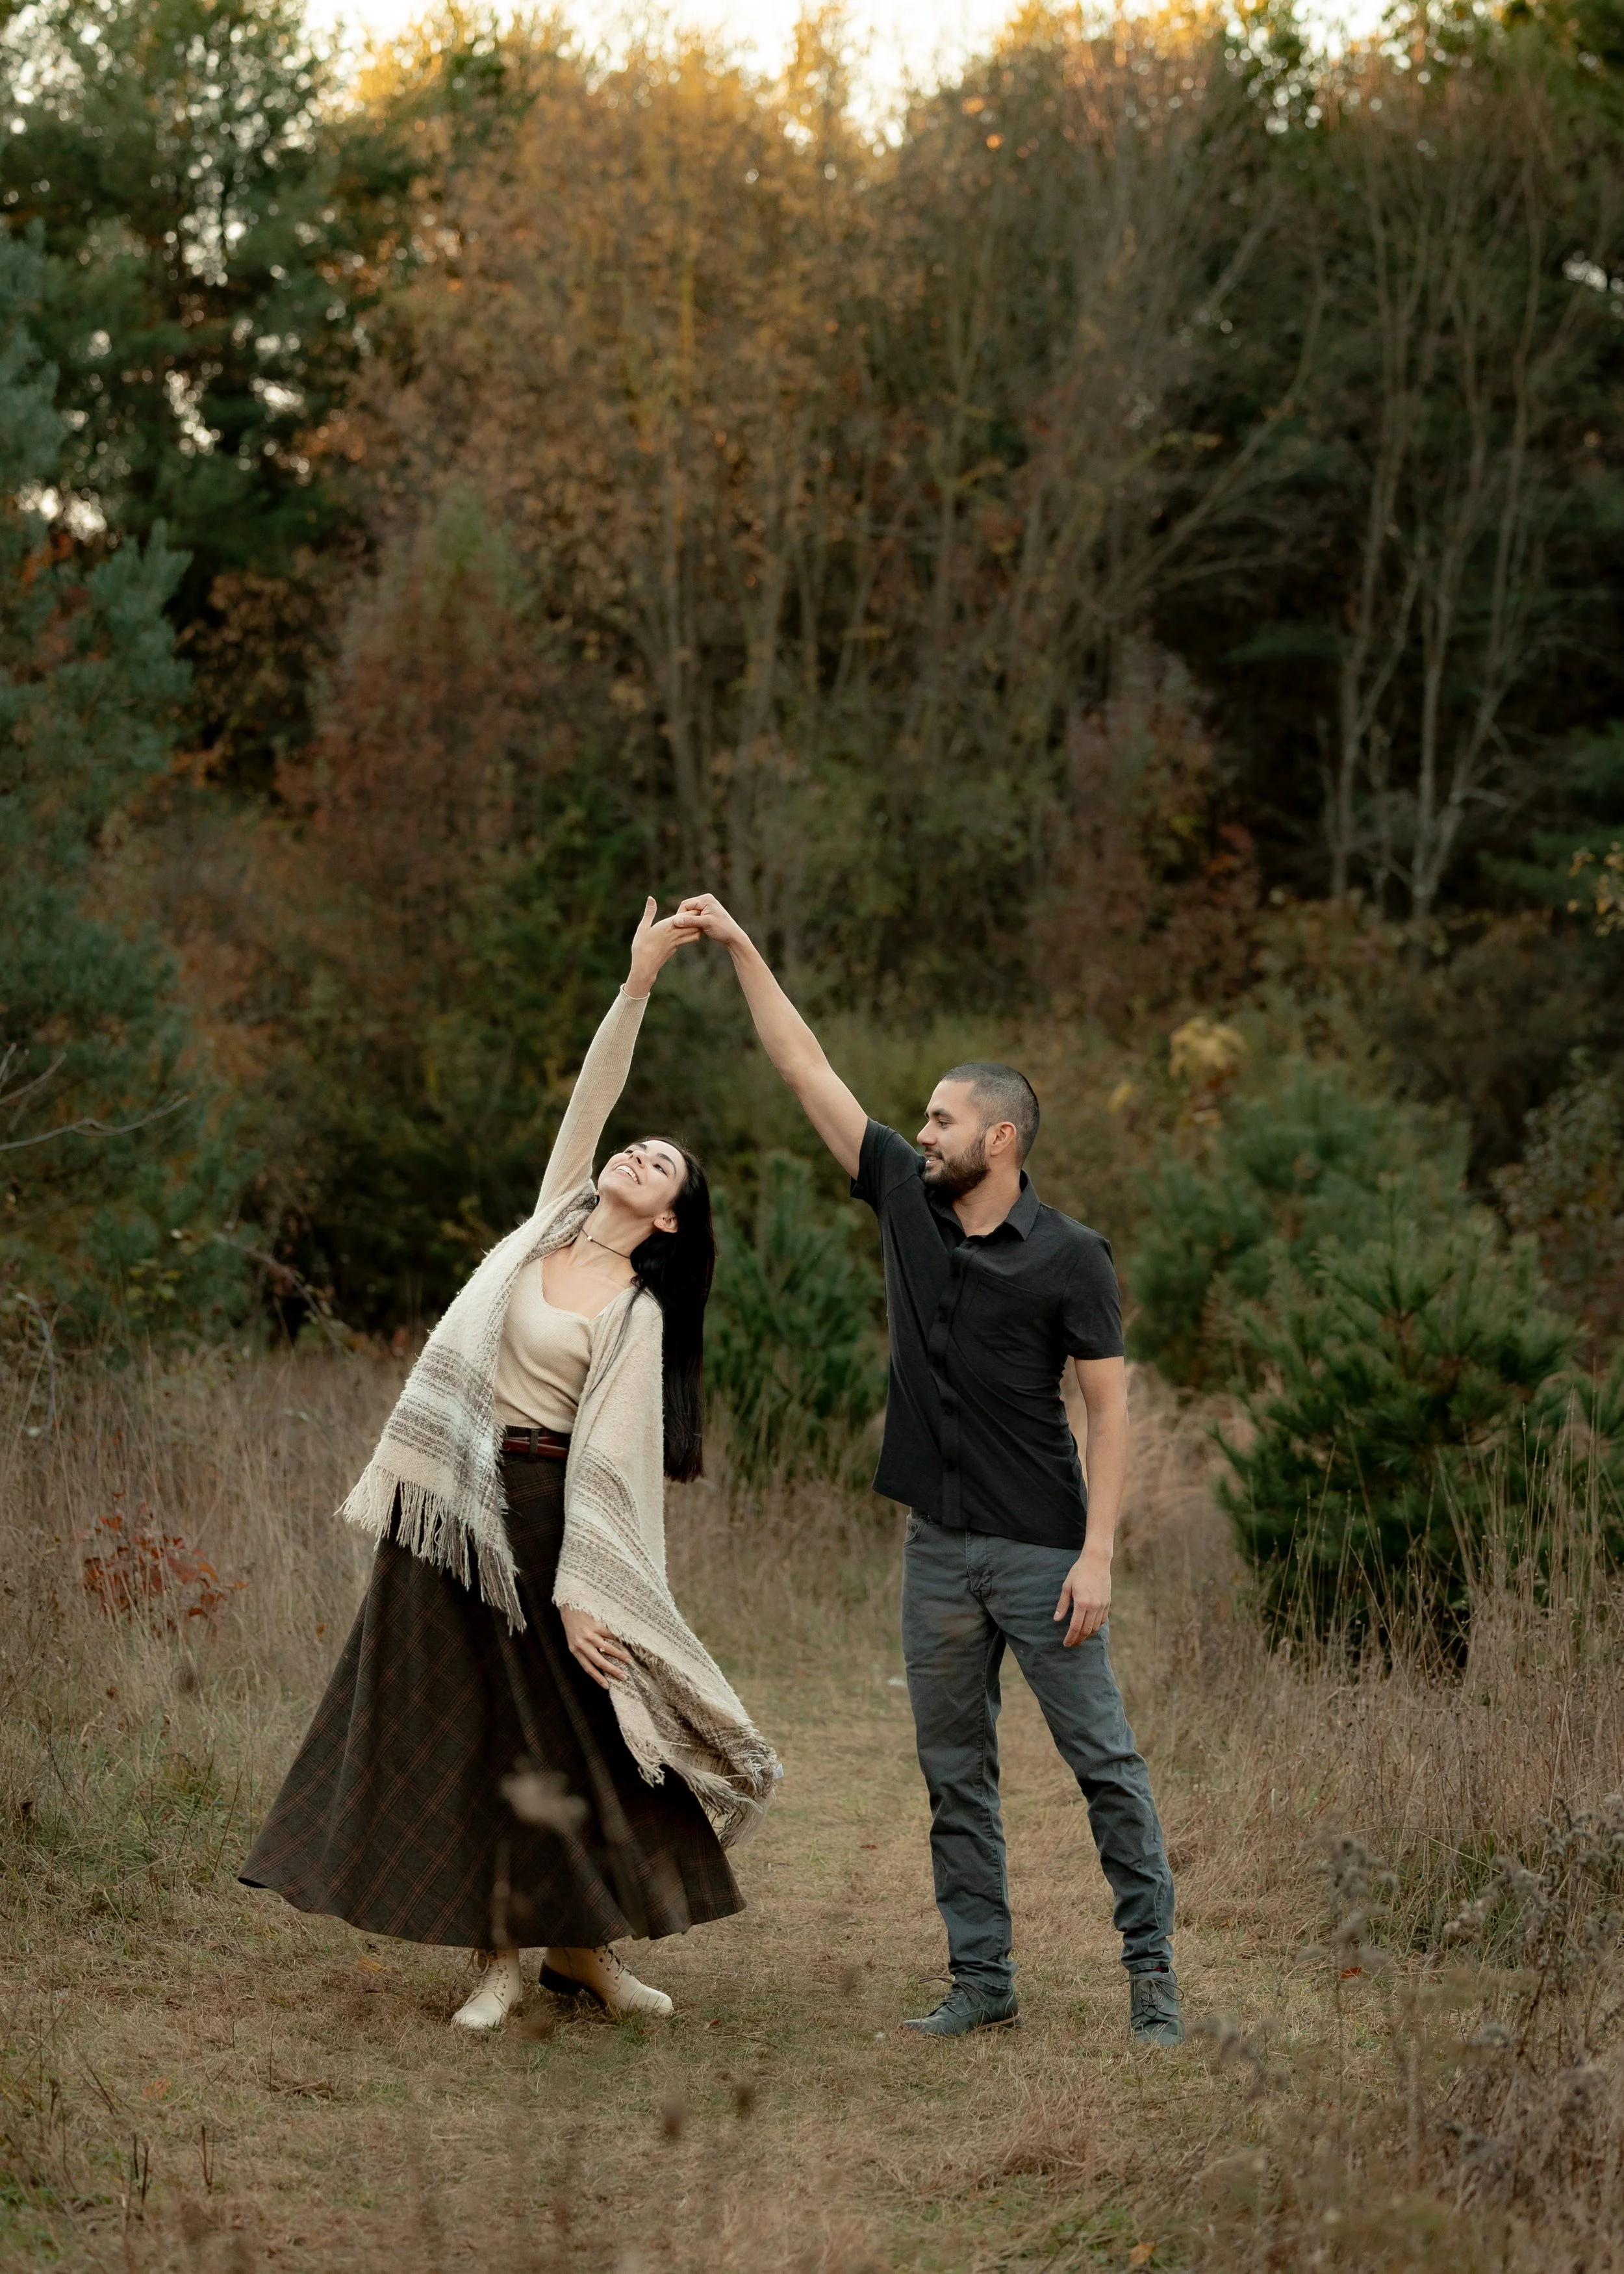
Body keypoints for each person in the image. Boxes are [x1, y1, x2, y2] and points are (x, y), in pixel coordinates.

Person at [242, 900, 778, 2032]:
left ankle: (582, 1949)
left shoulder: (638, 1313)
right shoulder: (546, 1226)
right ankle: (498, 1957)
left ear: (674, 1219)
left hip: (547, 1520)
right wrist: (635, 985)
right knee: (469, 1735)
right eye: (638, 1147)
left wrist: (589, 1588)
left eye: (663, 1163)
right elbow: (592, 1098)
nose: (638, 1153)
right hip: (453, 1502)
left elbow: (613, 1467)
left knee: (579, 1737)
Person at [678, 893, 1180, 2045]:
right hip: (937, 1551)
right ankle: (983, 1978)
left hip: (1047, 1552)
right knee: (957, 1776)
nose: (927, 1131)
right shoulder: (906, 1199)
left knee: (1103, 1764)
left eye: (944, 1119)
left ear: (1000, 1138)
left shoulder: (1072, 1258)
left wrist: (1100, 1555)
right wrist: (747, 948)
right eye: (926, 1120)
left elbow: (1110, 1413)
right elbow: (807, 1072)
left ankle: (1152, 1978)